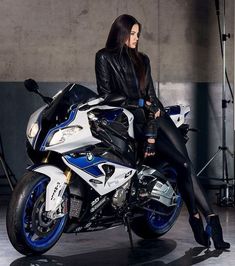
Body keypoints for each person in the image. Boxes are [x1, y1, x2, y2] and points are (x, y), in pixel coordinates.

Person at [95, 14, 230, 250]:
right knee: (184, 166)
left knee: (185, 164)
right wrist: (141, 106)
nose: (136, 38)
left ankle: (209, 220)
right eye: (132, 33)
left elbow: (152, 97)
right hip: (130, 119)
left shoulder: (142, 60)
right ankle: (199, 218)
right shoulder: (104, 57)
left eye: (138, 34)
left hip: (155, 117)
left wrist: (152, 110)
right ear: (120, 32)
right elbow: (106, 96)